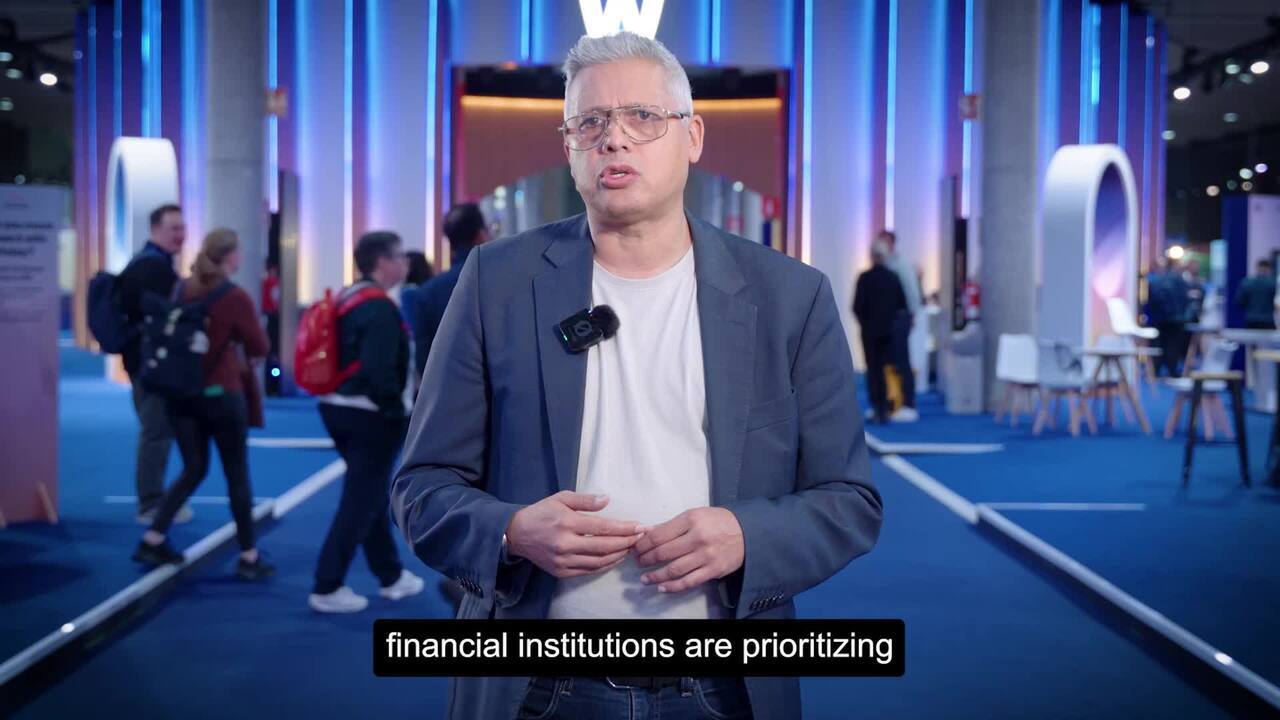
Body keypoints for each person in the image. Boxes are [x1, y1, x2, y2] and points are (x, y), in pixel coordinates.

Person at [390, 32, 882, 720]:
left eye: (643, 117)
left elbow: (849, 500)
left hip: (723, 689)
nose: (614, 139)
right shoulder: (496, 283)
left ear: (693, 136)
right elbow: (422, 489)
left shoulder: (788, 297)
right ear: (570, 147)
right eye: (589, 122)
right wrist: (512, 531)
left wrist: (748, 536)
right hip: (538, 686)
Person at [131, 229, 274, 580]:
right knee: (236, 474)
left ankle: (153, 538)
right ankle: (249, 556)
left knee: (193, 468)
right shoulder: (235, 297)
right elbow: (259, 346)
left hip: (182, 394)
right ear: (230, 256)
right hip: (222, 395)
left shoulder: (183, 289)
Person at [309, 231, 425, 613]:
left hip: (335, 406)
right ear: (382, 262)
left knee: (369, 494)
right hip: (370, 416)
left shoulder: (348, 296)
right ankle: (327, 585)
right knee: (359, 501)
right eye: (400, 256)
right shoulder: (379, 307)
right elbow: (380, 373)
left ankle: (390, 575)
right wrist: (398, 412)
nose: (406, 263)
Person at [117, 204, 194, 525]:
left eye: (182, 228)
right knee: (156, 433)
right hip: (151, 367)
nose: (180, 234)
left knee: (157, 432)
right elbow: (166, 321)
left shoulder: (145, 263)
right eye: (173, 228)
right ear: (155, 230)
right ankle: (150, 505)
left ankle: (153, 501)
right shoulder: (154, 269)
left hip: (144, 364)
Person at [410, 203, 489, 379]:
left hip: (447, 386)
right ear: (481, 235)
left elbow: (424, 360)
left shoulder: (427, 292)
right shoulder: (503, 282)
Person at [853, 240, 908, 423]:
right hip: (889, 332)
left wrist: (864, 323)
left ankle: (877, 407)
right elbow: (902, 304)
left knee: (873, 370)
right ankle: (888, 406)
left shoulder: (864, 278)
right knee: (888, 370)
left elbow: (857, 306)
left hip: (869, 332)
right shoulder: (893, 277)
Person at [879, 230, 921, 422]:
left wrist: (911, 314)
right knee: (889, 363)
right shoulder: (883, 265)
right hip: (887, 320)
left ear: (892, 244)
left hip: (900, 318)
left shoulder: (901, 265)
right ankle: (890, 403)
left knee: (902, 361)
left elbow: (912, 291)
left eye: (886, 242)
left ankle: (909, 404)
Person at [1147, 258, 1190, 376]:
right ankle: (1173, 371)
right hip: (1177, 319)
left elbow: (1150, 301)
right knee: (1173, 345)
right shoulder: (1180, 280)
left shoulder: (1155, 280)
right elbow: (1186, 298)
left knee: (1158, 344)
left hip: (1158, 319)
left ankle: (1156, 371)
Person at [1236, 259, 1278, 330]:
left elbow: (1240, 302)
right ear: (1269, 269)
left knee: (1252, 336)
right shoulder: (1273, 283)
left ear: (1257, 268)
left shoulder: (1246, 283)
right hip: (1268, 319)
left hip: (1251, 319)